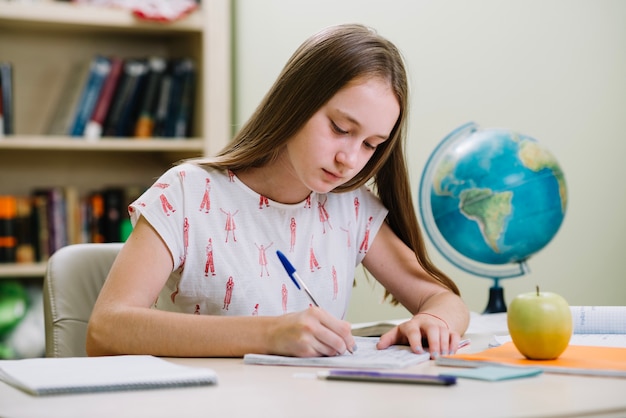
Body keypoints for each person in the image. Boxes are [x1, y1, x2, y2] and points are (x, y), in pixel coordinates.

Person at [86, 23, 470, 359]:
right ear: (296, 102)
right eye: (340, 128)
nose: (350, 160)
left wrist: (433, 321)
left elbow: (444, 300)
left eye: (371, 144)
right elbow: (105, 330)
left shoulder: (351, 207)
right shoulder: (186, 192)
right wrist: (269, 334)